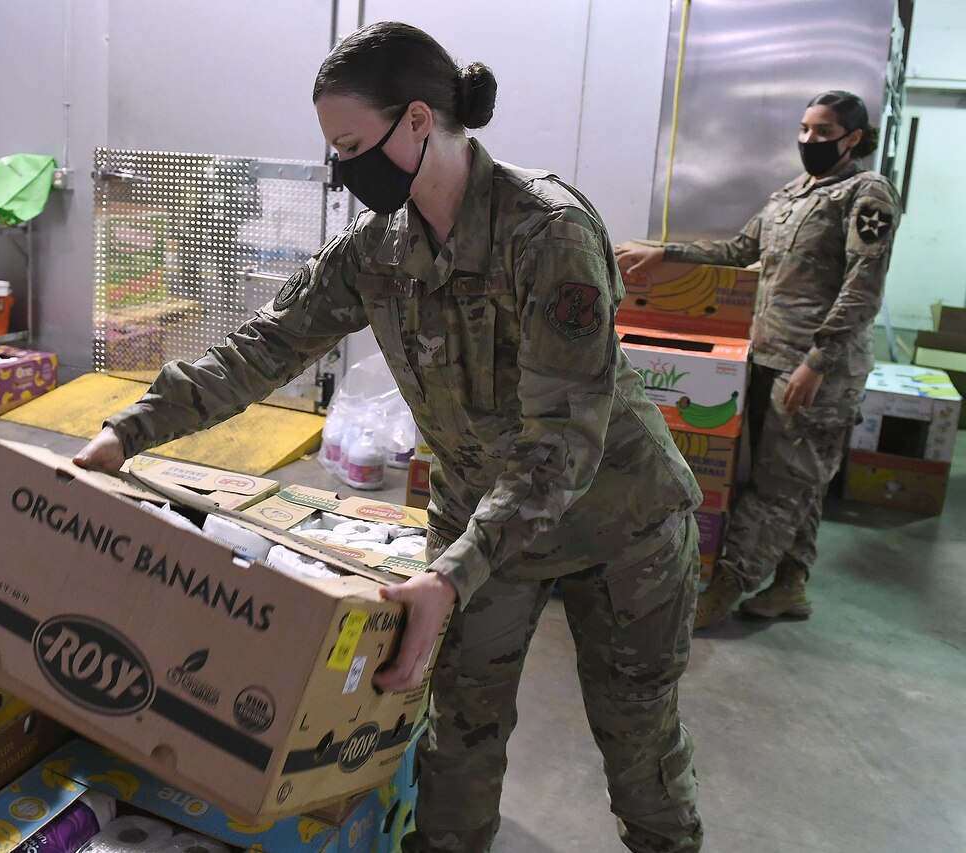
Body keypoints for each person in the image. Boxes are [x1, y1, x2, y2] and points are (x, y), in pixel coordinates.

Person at [77, 22, 704, 852]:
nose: (340, 169)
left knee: (637, 744)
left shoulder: (545, 233)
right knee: (457, 739)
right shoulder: (379, 250)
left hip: (621, 525)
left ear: (416, 122)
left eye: (348, 145)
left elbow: (563, 442)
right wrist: (128, 432)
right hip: (482, 528)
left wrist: (451, 576)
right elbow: (259, 350)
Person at [616, 91, 901, 630]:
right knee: (799, 479)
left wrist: (818, 361)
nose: (808, 141)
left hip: (818, 367)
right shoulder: (792, 194)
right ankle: (791, 584)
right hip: (771, 356)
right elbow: (738, 251)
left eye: (822, 132)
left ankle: (724, 589)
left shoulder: (867, 195)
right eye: (804, 129)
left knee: (778, 487)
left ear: (854, 138)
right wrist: (666, 252)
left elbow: (862, 289)